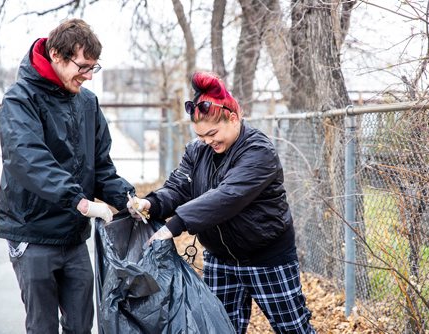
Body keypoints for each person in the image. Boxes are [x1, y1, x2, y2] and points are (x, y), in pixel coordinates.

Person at [127, 71, 316, 333]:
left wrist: (175, 225)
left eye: (212, 133)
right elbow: (179, 187)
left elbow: (227, 197)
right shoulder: (198, 149)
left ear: (233, 117)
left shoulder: (258, 151)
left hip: (266, 257)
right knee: (219, 328)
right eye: (201, 135)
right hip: (220, 258)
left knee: (293, 328)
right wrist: (151, 203)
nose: (207, 141)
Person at [0, 18, 135, 333]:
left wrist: (128, 199)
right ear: (56, 55)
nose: (87, 76)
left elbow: (101, 166)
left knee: (81, 324)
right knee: (43, 326)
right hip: (32, 232)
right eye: (83, 66)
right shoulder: (21, 99)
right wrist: (81, 202)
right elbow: (28, 159)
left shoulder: (87, 102)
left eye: (93, 68)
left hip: (72, 236)